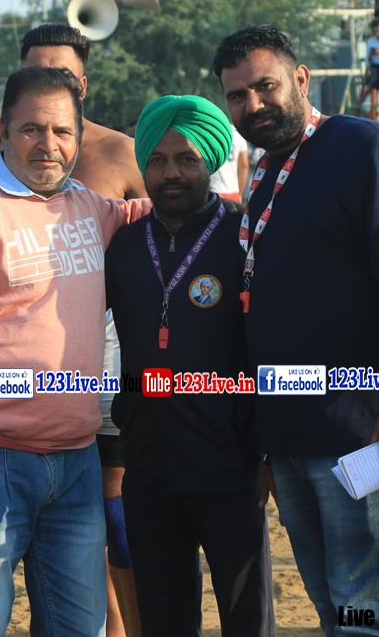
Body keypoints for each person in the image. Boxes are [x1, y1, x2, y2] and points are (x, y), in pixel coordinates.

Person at [0, 67, 152, 637]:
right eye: (32, 129)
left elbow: (148, 214)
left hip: (77, 463)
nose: (48, 144)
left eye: (62, 131)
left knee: (78, 628)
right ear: (4, 131)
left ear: (79, 136)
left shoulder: (90, 207)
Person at [214, 24, 379, 637]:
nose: (253, 105)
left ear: (300, 80)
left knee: (366, 609)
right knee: (332, 609)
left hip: (359, 430)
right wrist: (264, 441)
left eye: (265, 86)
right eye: (237, 96)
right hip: (289, 434)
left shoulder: (364, 146)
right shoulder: (267, 170)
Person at [105, 94, 273, 637]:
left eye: (186, 159)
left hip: (229, 465)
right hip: (147, 467)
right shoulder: (125, 244)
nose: (170, 172)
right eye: (157, 160)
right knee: (164, 621)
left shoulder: (244, 238)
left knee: (247, 617)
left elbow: (271, 346)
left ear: (211, 162)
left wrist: (267, 450)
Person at [19, 22, 146, 637]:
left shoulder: (122, 154)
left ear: (84, 84)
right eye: (37, 72)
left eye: (63, 74)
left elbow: (173, 235)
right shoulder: (5, 165)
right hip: (32, 375)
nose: (51, 83)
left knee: (117, 520)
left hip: (112, 365)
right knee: (69, 524)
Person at [208, 123, 249, 202]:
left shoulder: (207, 128)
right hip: (233, 191)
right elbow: (244, 166)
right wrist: (240, 193)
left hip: (212, 191)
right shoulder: (237, 132)